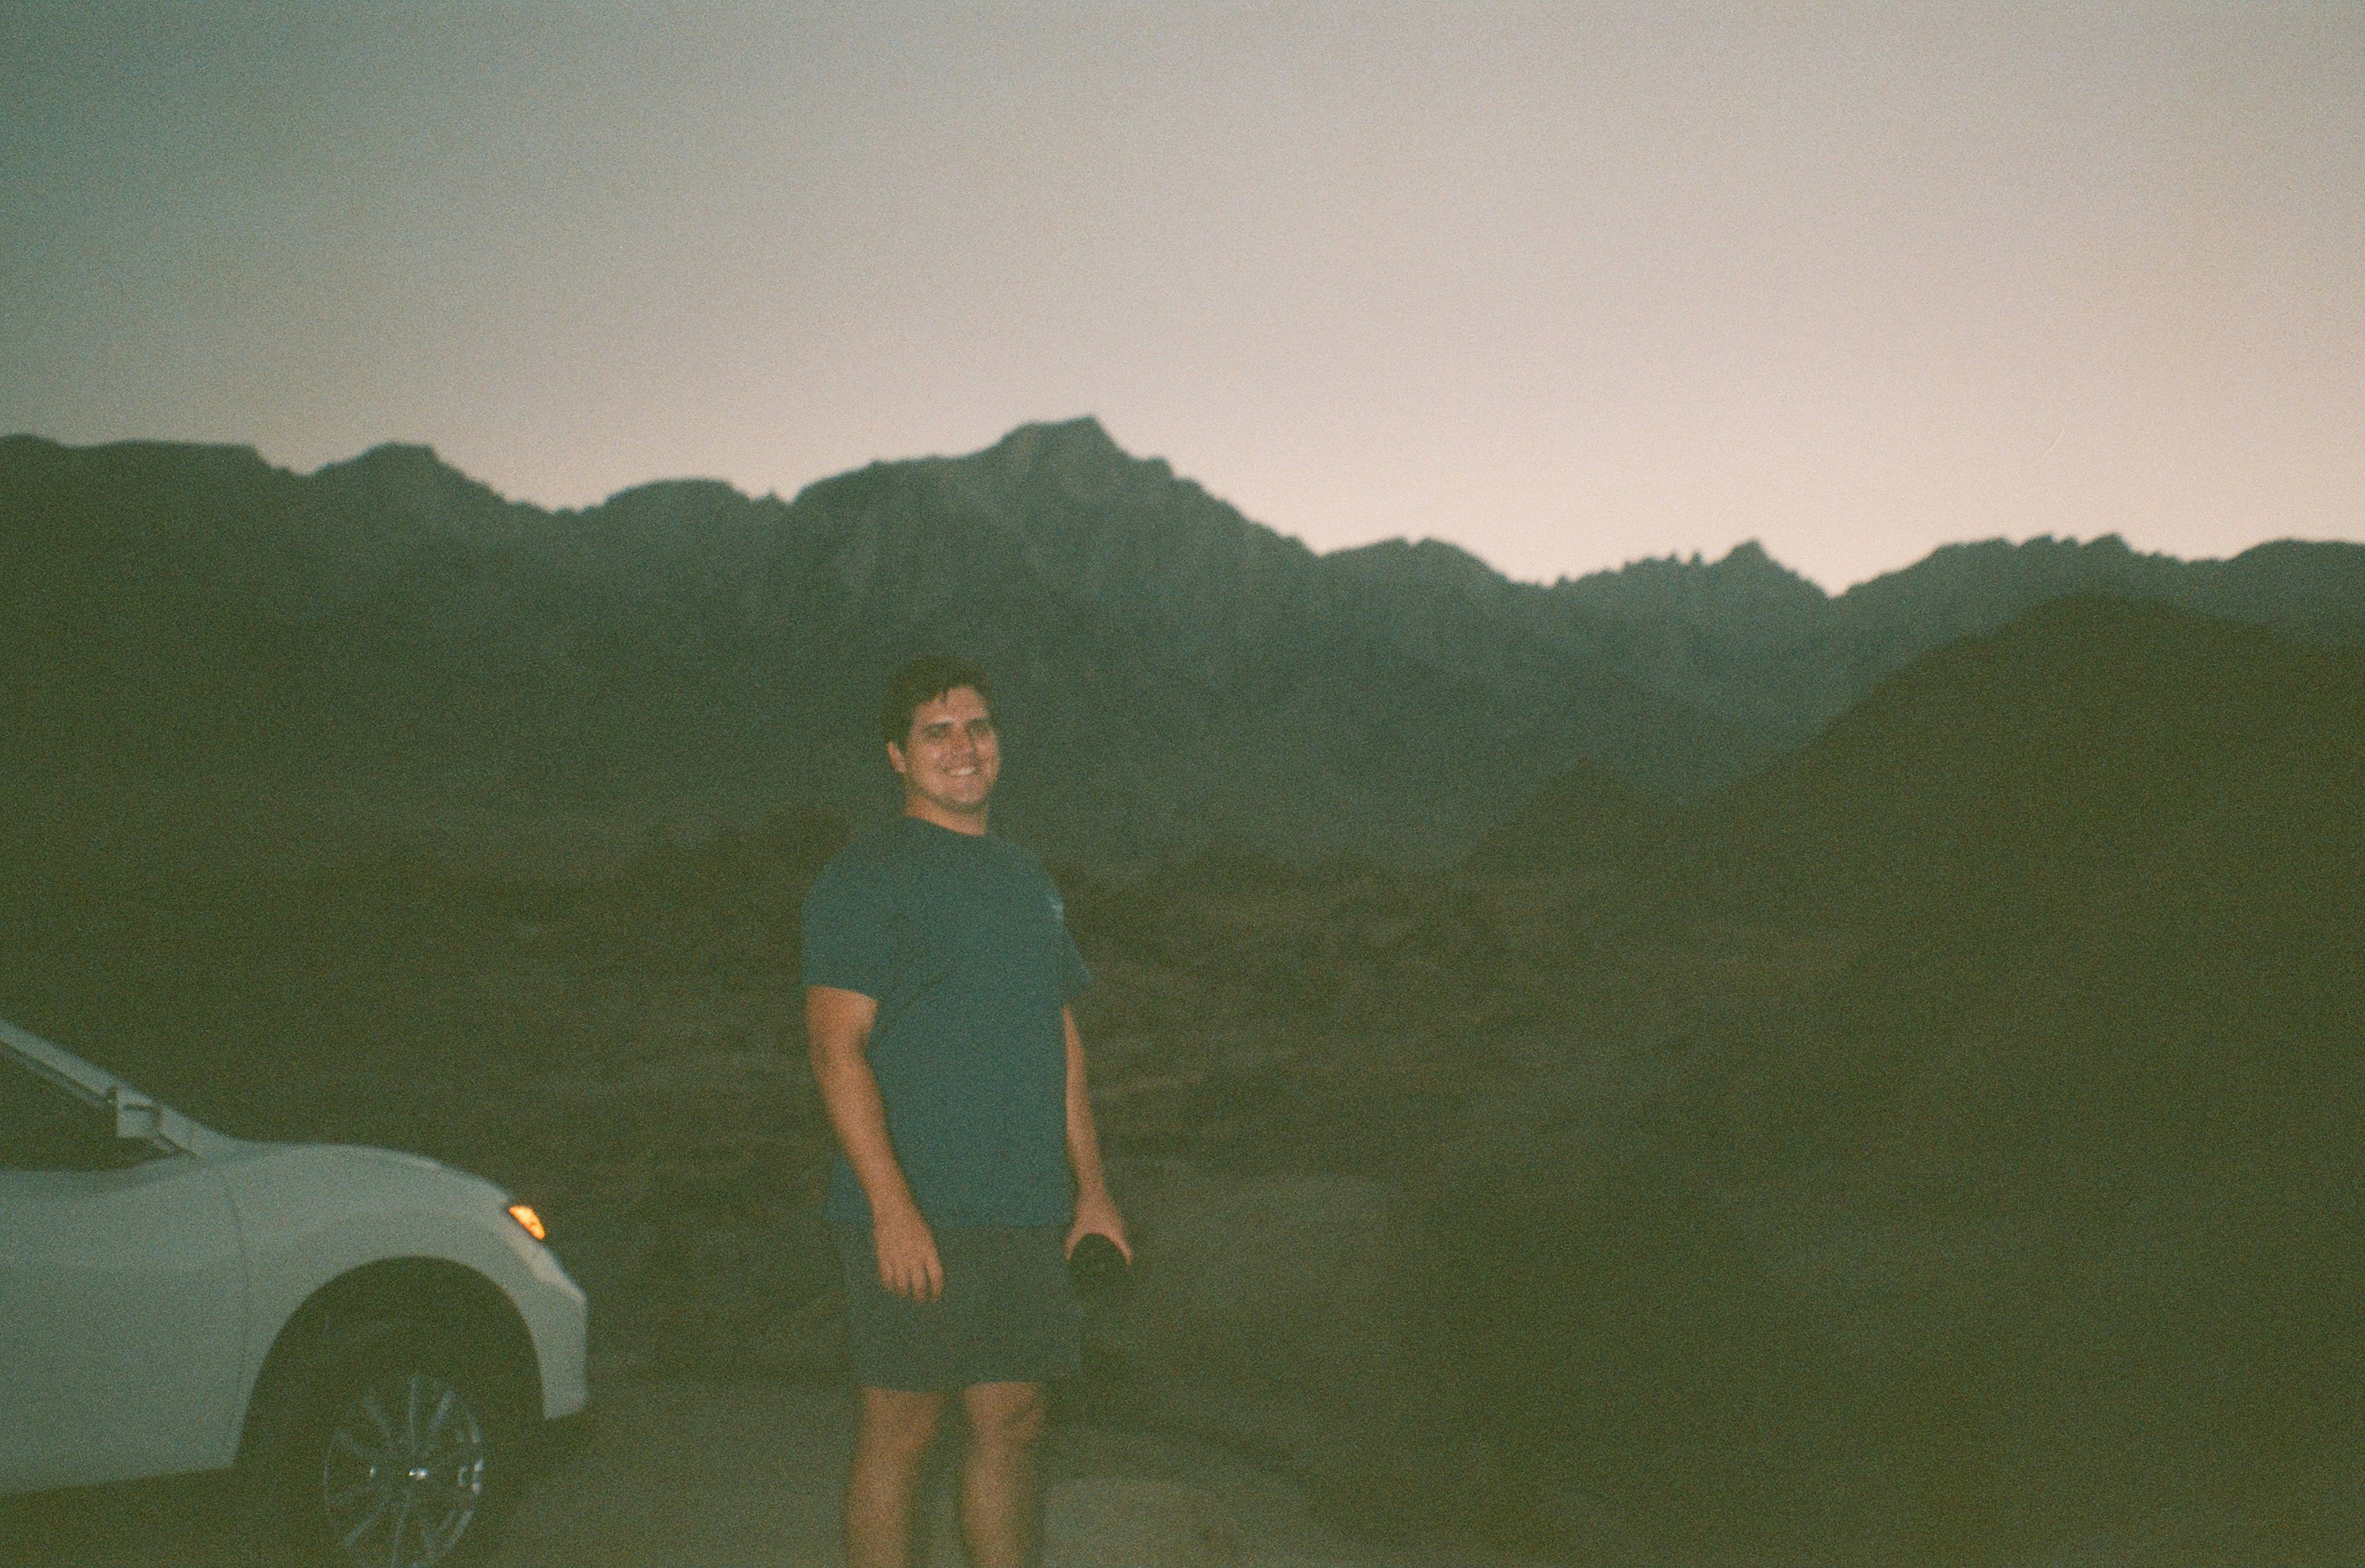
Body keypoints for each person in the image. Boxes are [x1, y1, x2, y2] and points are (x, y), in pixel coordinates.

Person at [803, 654, 1130, 1568]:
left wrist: (1092, 1191)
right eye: (935, 730)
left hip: (1022, 1200)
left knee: (1013, 1420)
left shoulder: (1027, 879)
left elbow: (1057, 1034)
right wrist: (892, 1209)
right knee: (903, 1425)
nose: (962, 746)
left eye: (977, 726)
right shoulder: (863, 877)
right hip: (916, 1199)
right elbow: (835, 1048)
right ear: (897, 756)